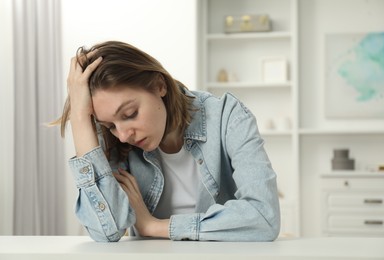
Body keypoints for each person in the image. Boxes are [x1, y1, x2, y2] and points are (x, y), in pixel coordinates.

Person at [57, 40, 280, 242]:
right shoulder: (114, 141)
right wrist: (79, 117)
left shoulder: (227, 116)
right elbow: (106, 231)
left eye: (130, 114)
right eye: (110, 126)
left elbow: (263, 217)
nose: (123, 135)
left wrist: (154, 226)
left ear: (159, 86)